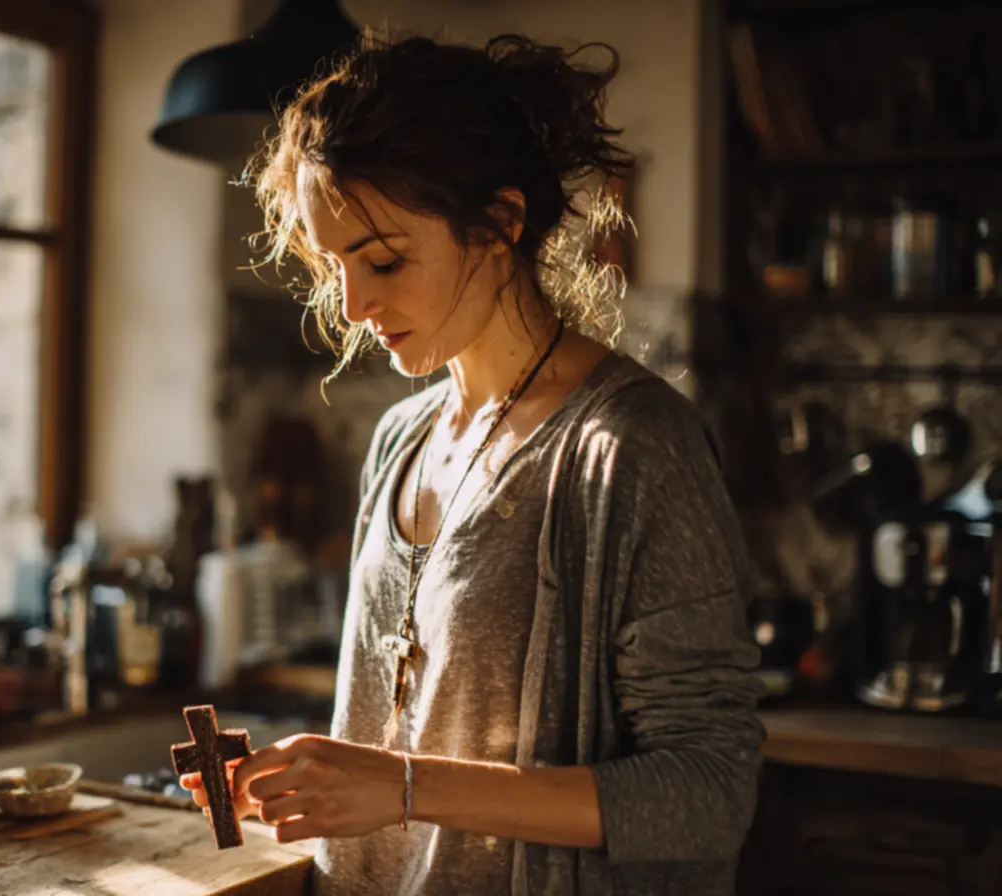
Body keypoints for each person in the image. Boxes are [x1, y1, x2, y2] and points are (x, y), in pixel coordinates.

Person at [182, 32, 765, 896]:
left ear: (498, 223)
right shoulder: (400, 438)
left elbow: (710, 793)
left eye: (381, 259)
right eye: (331, 264)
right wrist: (319, 785)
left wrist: (405, 789)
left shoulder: (630, 447)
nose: (353, 305)